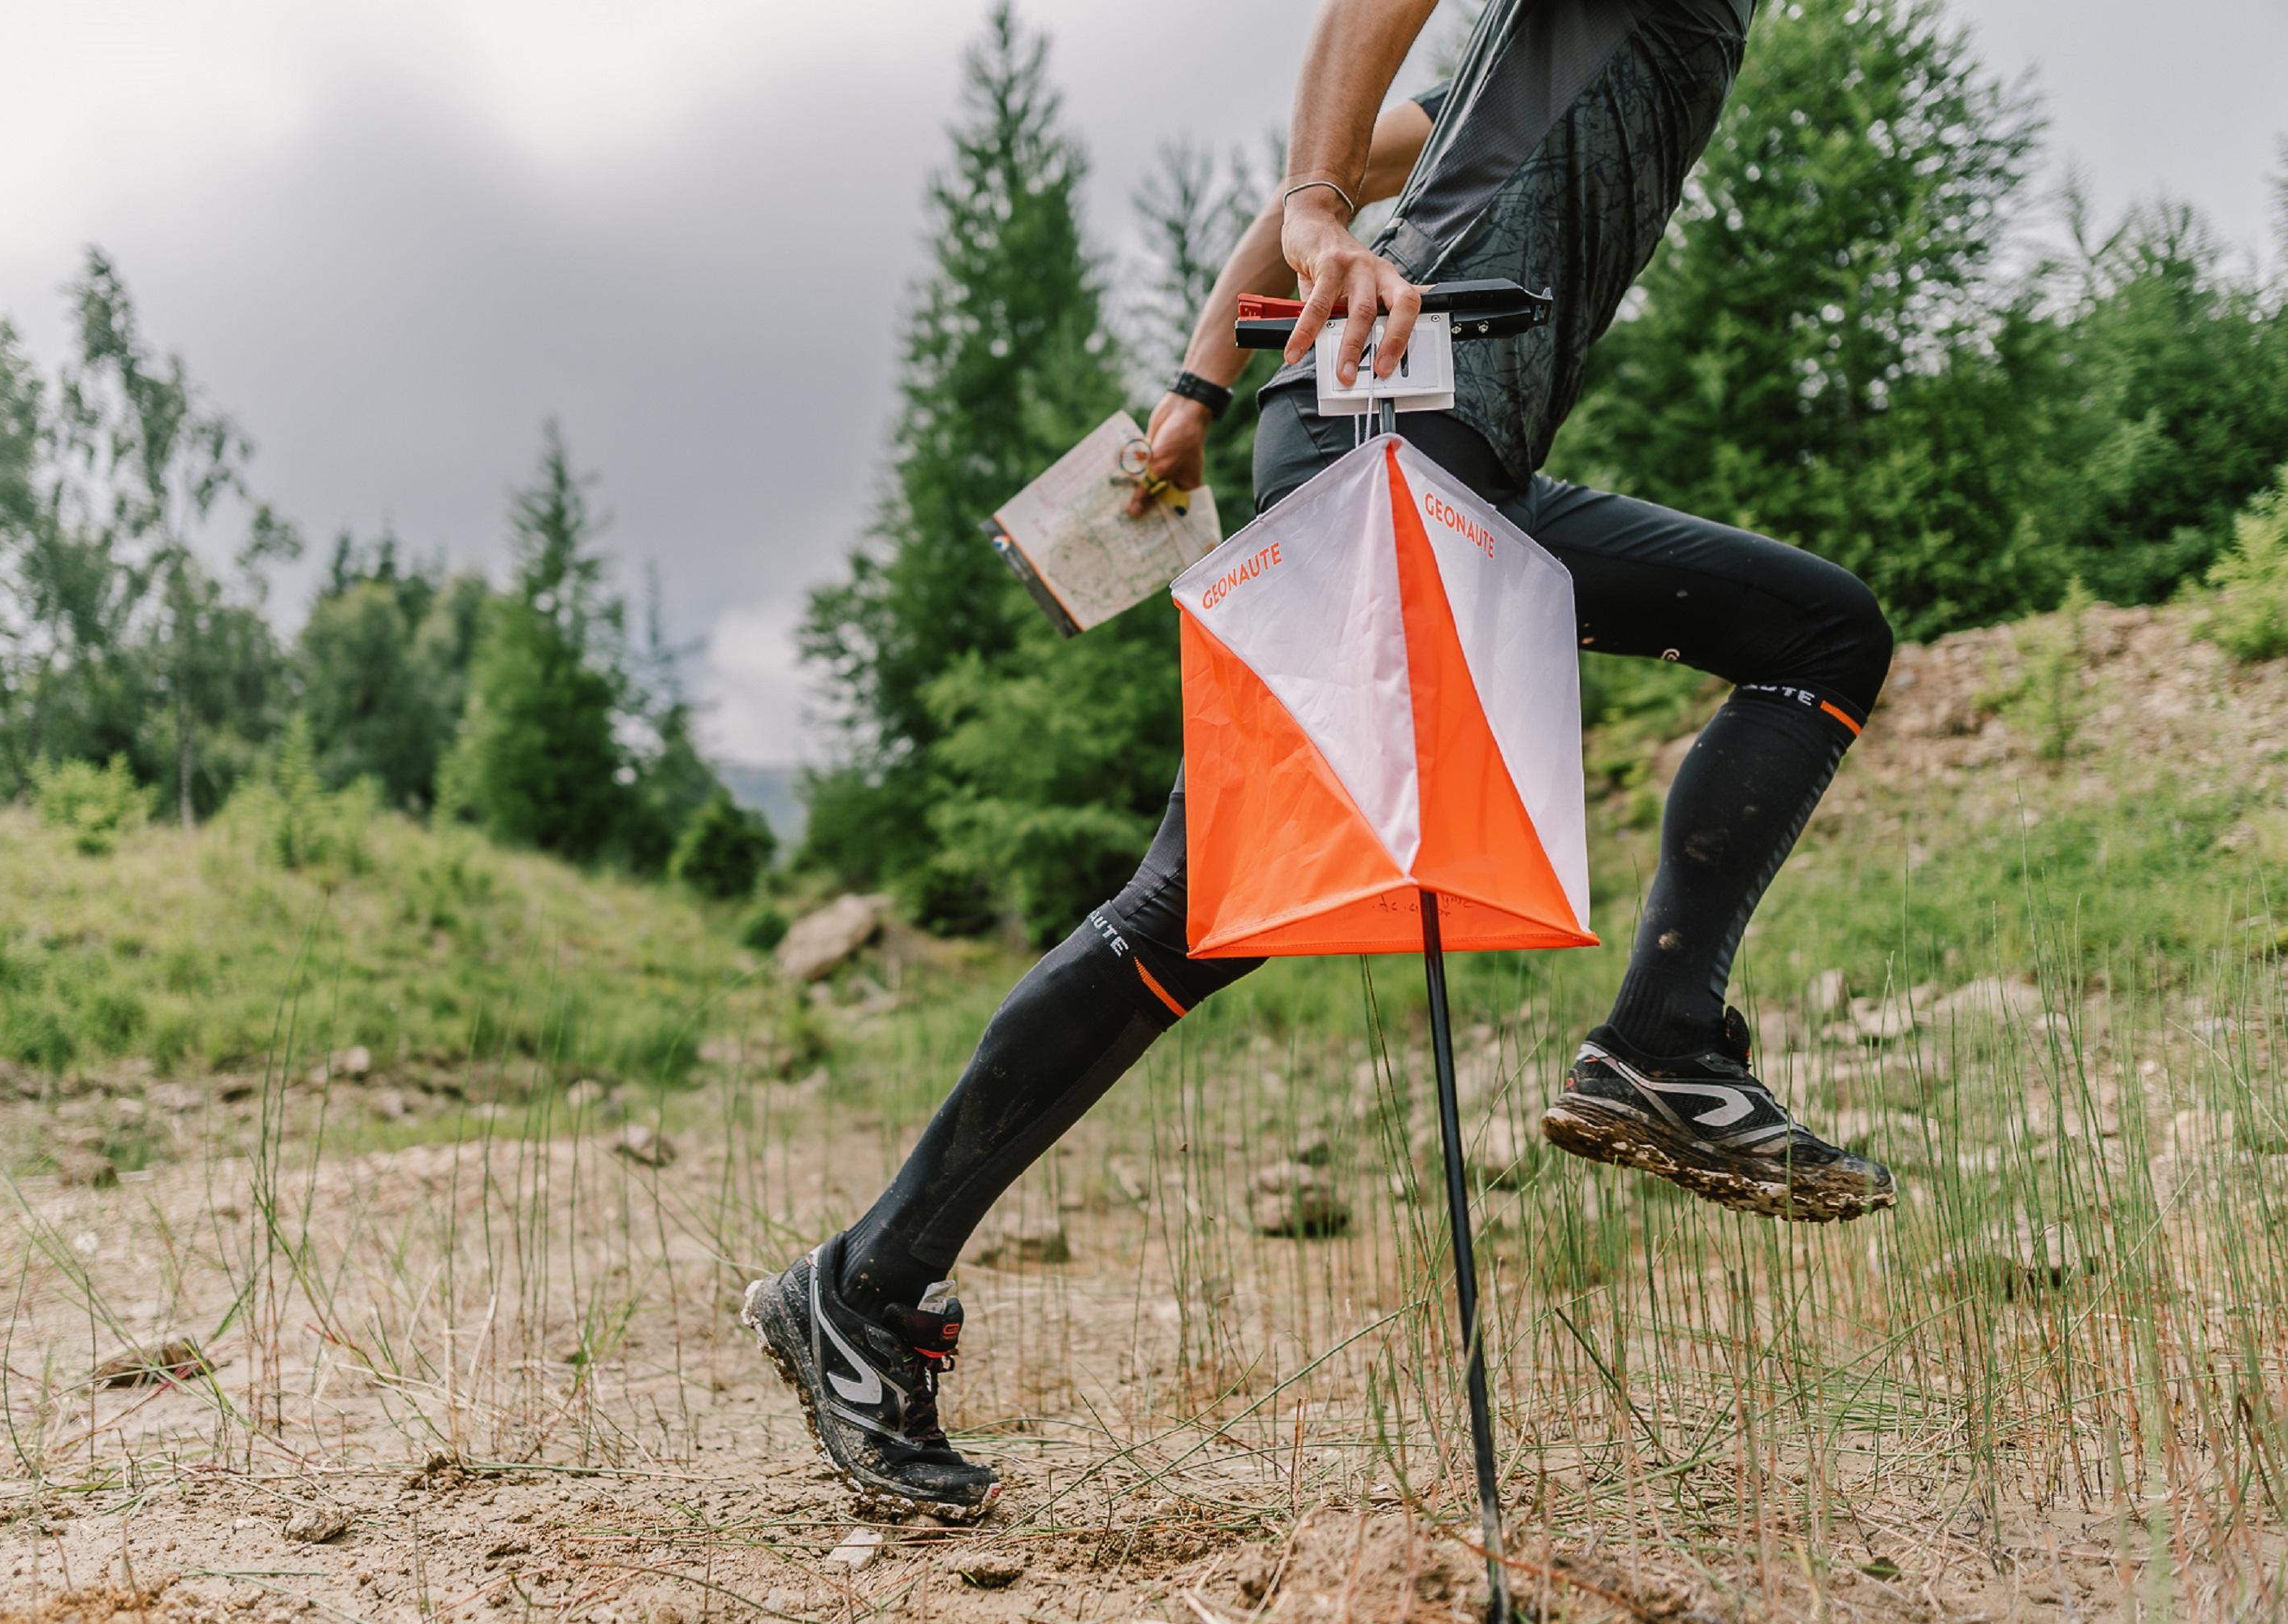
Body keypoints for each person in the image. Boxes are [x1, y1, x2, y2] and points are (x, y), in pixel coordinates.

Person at [745, 0, 1897, 1521]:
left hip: (1426, 436)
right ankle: (865, 1284)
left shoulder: (1521, 65)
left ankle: (1663, 1045)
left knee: (1820, 635)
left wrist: (1198, 391)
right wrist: (1302, 218)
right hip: (1388, 436)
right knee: (1203, 902)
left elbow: (1366, 157)